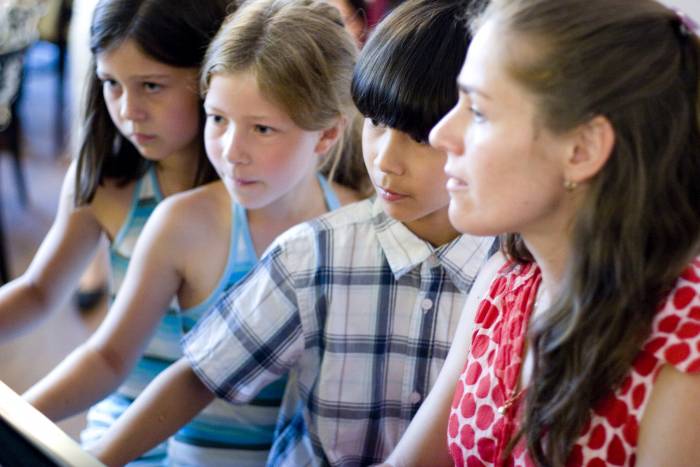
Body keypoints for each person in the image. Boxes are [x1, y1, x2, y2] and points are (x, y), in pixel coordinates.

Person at [87, 1, 494, 466]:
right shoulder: (314, 252)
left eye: (419, 138)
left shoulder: (513, 268)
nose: (384, 160)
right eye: (377, 124)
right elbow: (201, 376)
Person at [22, 0, 367, 465]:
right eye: (217, 118)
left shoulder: (354, 225)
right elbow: (112, 357)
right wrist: (19, 428)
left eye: (261, 128)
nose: (232, 151)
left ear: (326, 137)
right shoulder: (183, 222)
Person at [384, 0, 700, 465]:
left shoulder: (683, 343)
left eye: (479, 113)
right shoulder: (506, 282)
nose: (440, 134)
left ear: (581, 149)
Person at [0, 0, 231, 463]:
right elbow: (40, 290)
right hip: (124, 412)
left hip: (228, 434)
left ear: (210, 77)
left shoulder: (253, 189)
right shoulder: (106, 178)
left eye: (151, 86)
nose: (129, 111)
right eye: (111, 84)